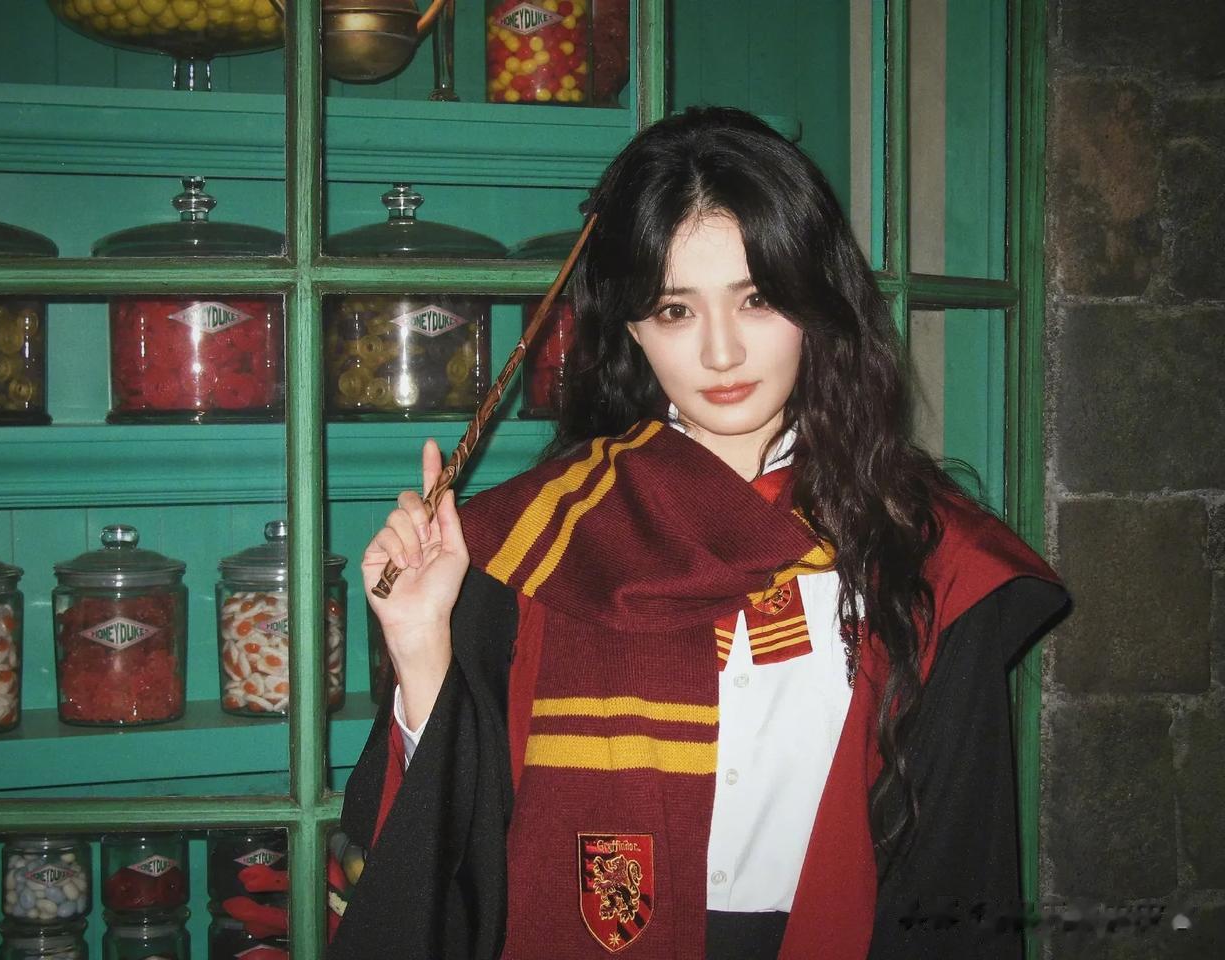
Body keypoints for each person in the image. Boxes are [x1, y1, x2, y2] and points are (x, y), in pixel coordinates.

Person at [329, 106, 1069, 960]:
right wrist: (421, 647)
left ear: (817, 301)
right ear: (631, 326)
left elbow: (955, 879)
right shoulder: (532, 543)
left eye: (757, 299)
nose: (721, 354)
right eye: (675, 310)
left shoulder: (924, 553)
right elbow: (448, 863)